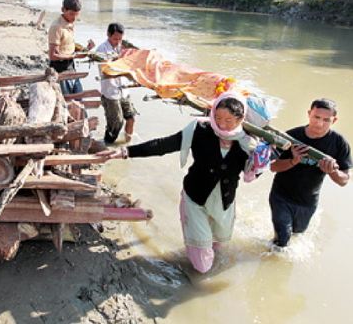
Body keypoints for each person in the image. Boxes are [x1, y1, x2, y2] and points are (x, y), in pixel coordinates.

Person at [98, 91, 258, 273]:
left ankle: (197, 247)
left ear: (240, 119)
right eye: (218, 117)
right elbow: (163, 145)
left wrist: (260, 164)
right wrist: (125, 152)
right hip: (195, 198)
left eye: (228, 121)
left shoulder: (249, 144)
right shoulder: (199, 130)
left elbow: (252, 172)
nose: (221, 124)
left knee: (219, 245)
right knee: (203, 267)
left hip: (224, 203)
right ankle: (196, 255)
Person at [269, 98, 351, 247]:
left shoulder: (339, 143)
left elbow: (344, 180)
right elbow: (272, 166)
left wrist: (332, 172)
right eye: (316, 117)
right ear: (309, 114)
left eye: (326, 120)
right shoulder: (291, 137)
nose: (319, 124)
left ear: (335, 120)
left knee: (297, 234)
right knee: (283, 238)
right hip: (281, 196)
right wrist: (293, 160)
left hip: (307, 201)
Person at [96, 22, 136, 144]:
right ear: (108, 34)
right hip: (110, 93)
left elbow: (135, 56)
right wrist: (122, 66)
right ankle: (107, 145)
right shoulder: (101, 50)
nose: (117, 41)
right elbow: (106, 73)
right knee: (116, 123)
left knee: (131, 118)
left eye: (120, 39)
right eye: (115, 39)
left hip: (124, 90)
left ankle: (127, 144)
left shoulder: (122, 46)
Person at [48, 0, 94, 95]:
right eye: (71, 14)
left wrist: (86, 49)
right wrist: (74, 56)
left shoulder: (70, 23)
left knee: (79, 100)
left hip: (71, 69)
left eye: (76, 15)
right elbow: (52, 56)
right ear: (63, 10)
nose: (74, 18)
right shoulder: (57, 27)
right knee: (68, 104)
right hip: (60, 72)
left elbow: (67, 48)